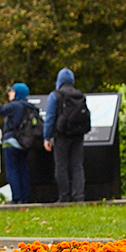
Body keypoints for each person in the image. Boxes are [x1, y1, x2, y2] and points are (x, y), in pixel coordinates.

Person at [43, 68, 85, 202]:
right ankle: (79, 195)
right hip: (78, 134)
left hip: (61, 135)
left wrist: (47, 137)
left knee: (61, 166)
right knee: (77, 165)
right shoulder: (79, 95)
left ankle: (64, 196)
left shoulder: (55, 95)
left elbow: (50, 118)